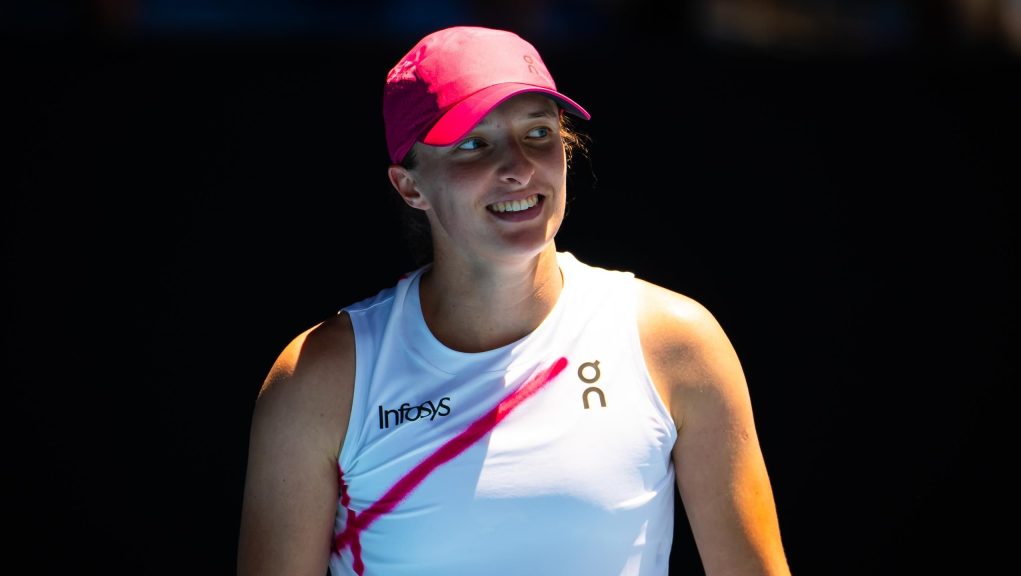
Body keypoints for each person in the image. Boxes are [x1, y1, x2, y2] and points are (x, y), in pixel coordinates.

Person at [237, 25, 791, 576]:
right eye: (474, 144)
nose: (519, 168)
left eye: (538, 133)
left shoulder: (675, 343)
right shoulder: (320, 379)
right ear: (410, 186)